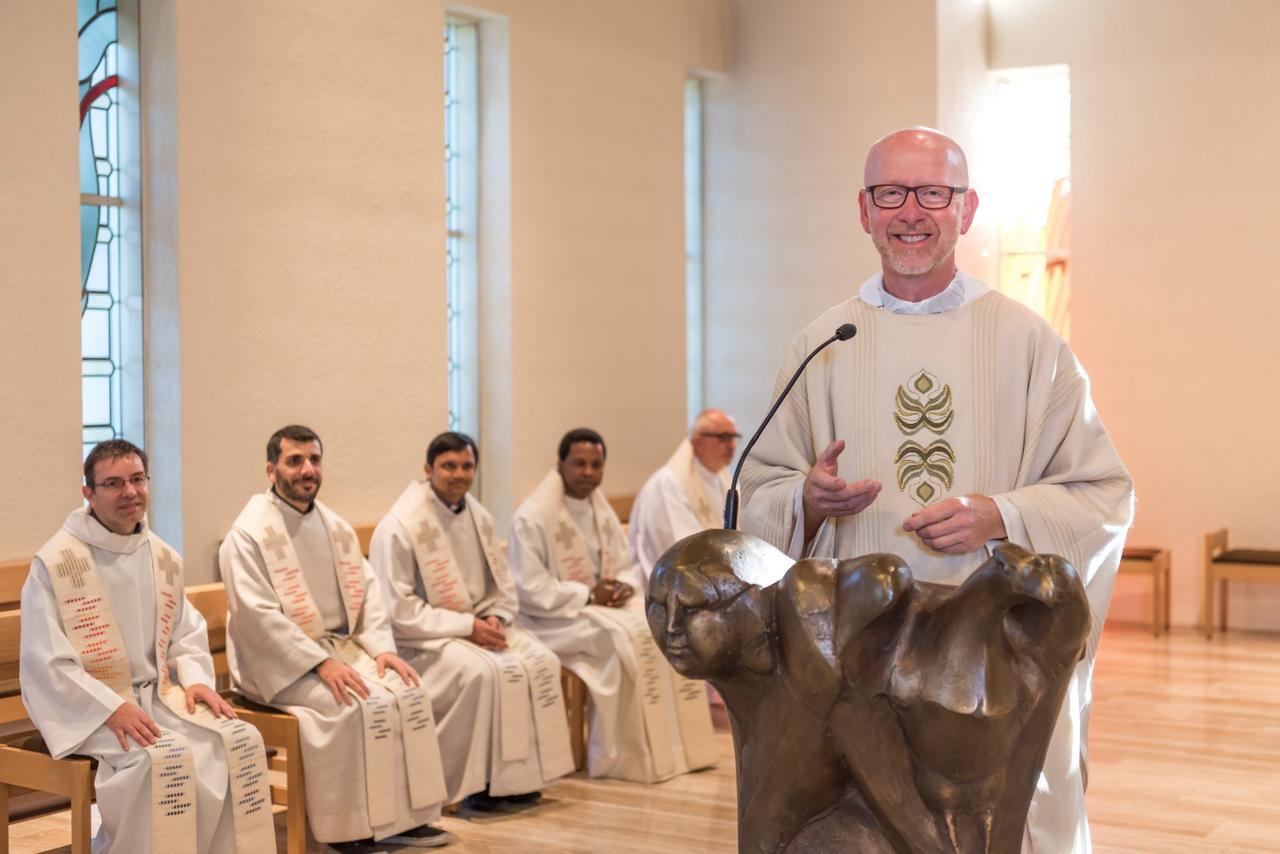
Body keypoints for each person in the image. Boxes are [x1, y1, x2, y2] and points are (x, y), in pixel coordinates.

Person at [739, 126, 1134, 852]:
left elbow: (1104, 491)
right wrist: (805, 500)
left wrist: (1004, 515)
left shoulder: (1027, 341)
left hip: (992, 656)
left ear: (967, 208)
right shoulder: (823, 344)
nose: (911, 211)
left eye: (933, 193)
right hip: (858, 657)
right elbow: (757, 489)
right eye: (891, 193)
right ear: (864, 210)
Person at [20, 440, 275, 853]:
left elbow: (185, 632)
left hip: (159, 698)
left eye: (137, 479)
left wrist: (195, 679)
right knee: (154, 760)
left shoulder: (161, 556)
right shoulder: (56, 563)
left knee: (236, 740)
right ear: (88, 492)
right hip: (90, 709)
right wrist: (110, 707)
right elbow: (46, 662)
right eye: (113, 483)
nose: (129, 492)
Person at [219, 425, 451, 850]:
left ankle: (406, 820)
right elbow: (257, 618)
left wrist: (381, 650)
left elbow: (370, 598)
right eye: (295, 461)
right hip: (275, 664)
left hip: (340, 650)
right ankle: (350, 832)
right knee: (351, 705)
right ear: (271, 470)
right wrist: (318, 663)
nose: (307, 470)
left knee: (408, 691)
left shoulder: (336, 527)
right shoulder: (248, 535)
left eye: (314, 460)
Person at [368, 431, 573, 813]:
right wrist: (468, 627)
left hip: (474, 627)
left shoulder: (477, 515)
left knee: (541, 661)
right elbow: (398, 611)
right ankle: (470, 787)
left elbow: (502, 582)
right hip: (420, 642)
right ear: (428, 469)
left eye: (466, 466)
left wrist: (495, 616)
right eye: (449, 466)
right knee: (481, 674)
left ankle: (513, 780)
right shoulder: (399, 527)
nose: (459, 474)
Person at [508, 428, 717, 783]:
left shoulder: (600, 511)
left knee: (668, 628)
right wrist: (588, 594)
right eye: (579, 464)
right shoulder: (532, 517)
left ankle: (677, 750)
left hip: (594, 610)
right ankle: (625, 756)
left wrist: (622, 586)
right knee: (622, 642)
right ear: (560, 464)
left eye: (596, 464)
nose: (588, 472)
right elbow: (530, 589)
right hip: (549, 620)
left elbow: (624, 565)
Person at [628, 408, 740, 582]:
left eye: (734, 437)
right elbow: (685, 545)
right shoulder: (670, 483)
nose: (731, 445)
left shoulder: (723, 479)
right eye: (723, 437)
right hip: (674, 580)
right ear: (698, 442)